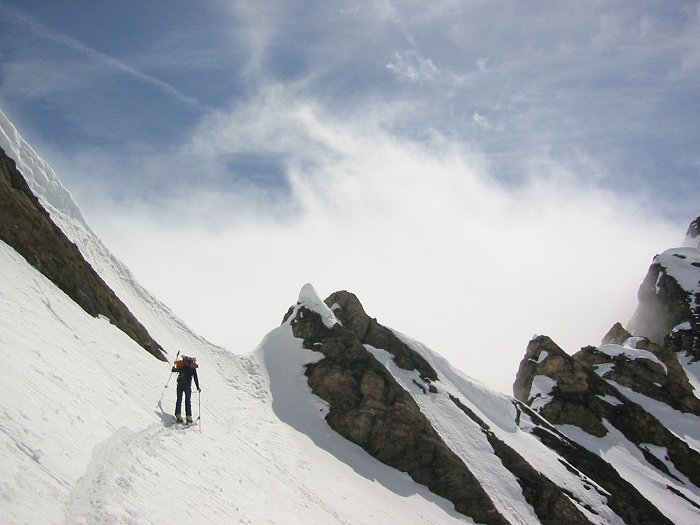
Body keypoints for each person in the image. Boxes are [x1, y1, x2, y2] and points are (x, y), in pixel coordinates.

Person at [172, 356, 201, 423]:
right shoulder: (192, 369)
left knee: (179, 399)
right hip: (187, 386)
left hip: (180, 384)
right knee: (187, 401)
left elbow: (176, 370)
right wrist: (198, 387)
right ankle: (188, 416)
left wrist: (173, 369)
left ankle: (178, 414)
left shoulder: (184, 367)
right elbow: (195, 378)